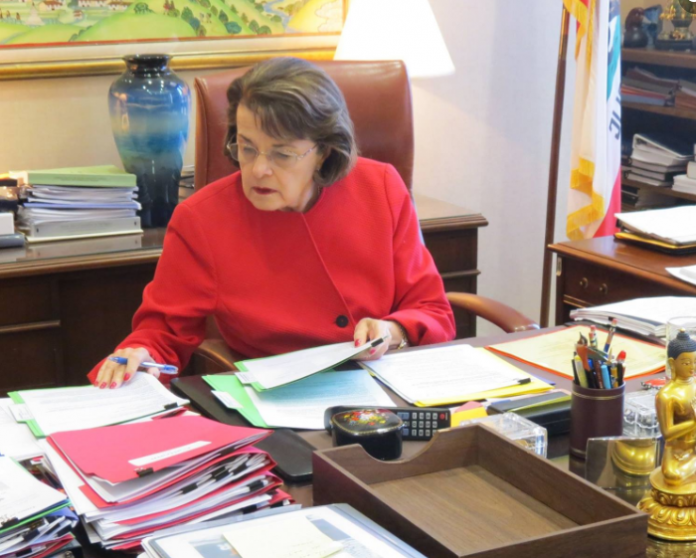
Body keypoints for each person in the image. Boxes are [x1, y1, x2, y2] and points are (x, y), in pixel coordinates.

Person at [89, 57, 456, 389]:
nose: (259, 169)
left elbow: (432, 310)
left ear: (325, 151)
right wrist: (139, 354)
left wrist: (392, 331)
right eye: (247, 147)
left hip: (387, 387)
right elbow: (163, 332)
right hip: (278, 402)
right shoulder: (202, 219)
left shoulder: (381, 188)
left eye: (282, 153)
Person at [654, 329, 696, 487]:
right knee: (673, 477)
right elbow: (668, 433)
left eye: (695, 361)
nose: (692, 367)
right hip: (677, 452)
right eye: (686, 363)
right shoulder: (666, 395)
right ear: (672, 363)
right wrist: (694, 422)